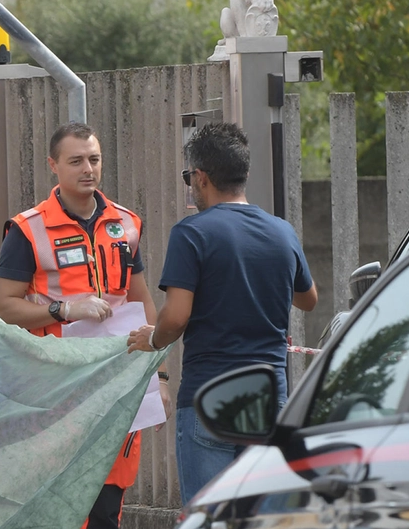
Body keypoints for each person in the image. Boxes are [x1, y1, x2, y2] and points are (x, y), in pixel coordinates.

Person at [0, 122, 160, 529]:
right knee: (53, 505)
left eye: (94, 159)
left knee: (106, 503)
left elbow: (139, 300)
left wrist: (152, 363)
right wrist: (64, 309)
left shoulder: (125, 224)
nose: (88, 169)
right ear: (53, 167)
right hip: (56, 388)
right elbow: (6, 305)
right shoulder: (27, 229)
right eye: (76, 161)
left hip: (115, 385)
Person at [127, 120, 317, 497]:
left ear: (200, 177)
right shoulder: (282, 232)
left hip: (208, 398)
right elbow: (307, 299)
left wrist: (153, 340)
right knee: (258, 527)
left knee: (210, 528)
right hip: (268, 398)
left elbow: (177, 317)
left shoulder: (192, 233)